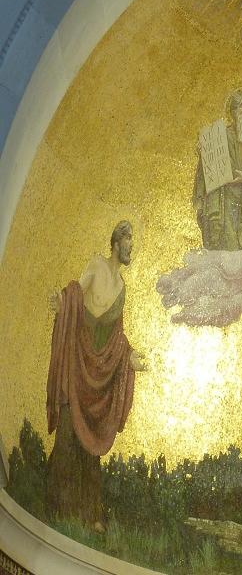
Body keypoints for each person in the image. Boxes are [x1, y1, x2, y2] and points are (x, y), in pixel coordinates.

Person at [45, 221, 147, 532]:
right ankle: (57, 510)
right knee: (67, 437)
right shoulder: (97, 265)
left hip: (100, 374)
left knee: (91, 445)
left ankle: (90, 515)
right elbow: (75, 294)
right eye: (128, 241)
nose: (131, 247)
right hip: (78, 363)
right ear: (116, 243)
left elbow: (116, 335)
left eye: (132, 242)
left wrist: (129, 357)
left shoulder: (122, 288)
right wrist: (61, 303)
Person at [193, 88, 242, 250]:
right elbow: (209, 167)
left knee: (240, 252)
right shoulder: (221, 136)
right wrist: (204, 152)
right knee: (227, 246)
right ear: (233, 111)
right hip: (224, 200)